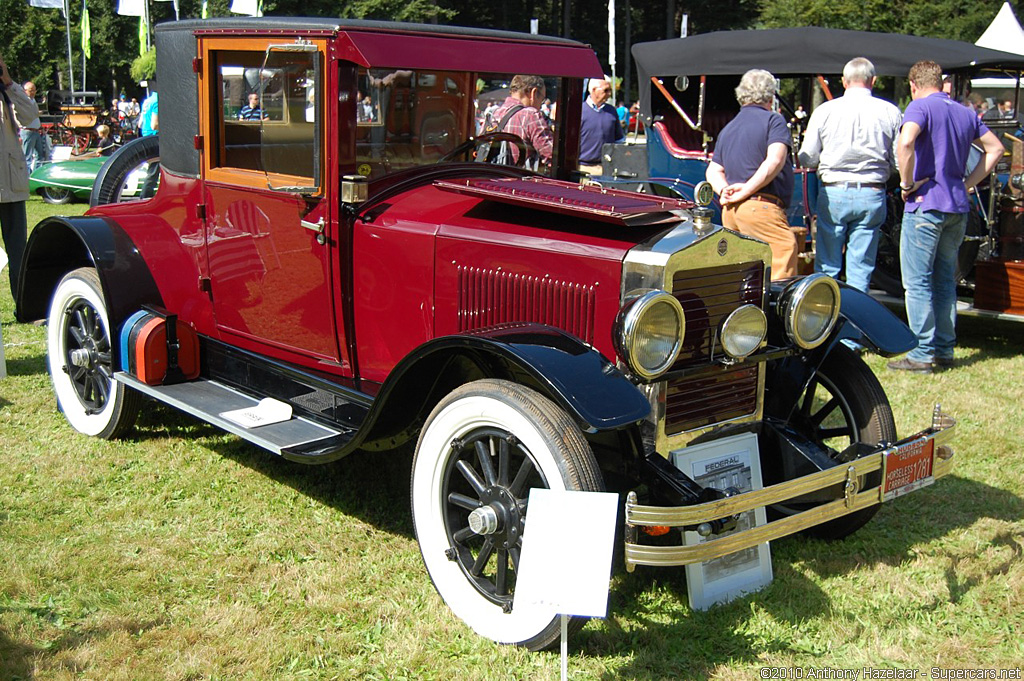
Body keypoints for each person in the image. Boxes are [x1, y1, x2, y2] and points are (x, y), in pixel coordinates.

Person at [888, 60, 1004, 373]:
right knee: (944, 281)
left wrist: (905, 182)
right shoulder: (966, 112)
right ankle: (944, 350)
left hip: (925, 204)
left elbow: (907, 140)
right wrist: (967, 184)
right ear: (942, 83)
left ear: (914, 84)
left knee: (917, 282)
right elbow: (996, 149)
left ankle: (922, 353)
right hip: (957, 207)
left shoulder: (919, 107)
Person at [797, 57, 903, 292]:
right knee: (861, 268)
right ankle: (855, 320)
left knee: (827, 265)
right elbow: (899, 158)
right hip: (872, 191)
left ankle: (824, 314)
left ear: (844, 82)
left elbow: (808, 157)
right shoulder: (890, 111)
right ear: (873, 81)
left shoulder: (825, 111)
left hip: (834, 191)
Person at [705, 69, 798, 280]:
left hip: (731, 211)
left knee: (744, 271)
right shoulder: (774, 121)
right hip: (760, 206)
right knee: (783, 254)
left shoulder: (729, 128)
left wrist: (725, 191)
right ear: (771, 96)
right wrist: (746, 190)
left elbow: (713, 170)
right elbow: (775, 159)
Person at [1, 52, 38, 307]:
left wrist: (9, 83)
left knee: (18, 250)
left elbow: (30, 115)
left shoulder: (7, 93)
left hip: (9, 184)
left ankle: (24, 304)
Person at [483, 74, 554, 170]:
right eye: (541, 99)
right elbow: (551, 155)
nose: (540, 106)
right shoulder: (530, 115)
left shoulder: (492, 115)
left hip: (491, 179)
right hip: (519, 182)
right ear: (533, 93)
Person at [578, 78, 623, 176]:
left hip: (607, 168)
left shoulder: (611, 111)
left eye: (610, 90)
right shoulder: (579, 111)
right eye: (606, 90)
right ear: (594, 90)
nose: (609, 94)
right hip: (583, 168)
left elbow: (619, 140)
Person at [17, 81, 48, 173]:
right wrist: (36, 113)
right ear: (24, 91)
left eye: (34, 90)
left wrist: (40, 127)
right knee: (27, 157)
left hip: (36, 131)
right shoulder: (22, 101)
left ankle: (37, 175)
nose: (33, 92)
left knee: (40, 155)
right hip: (27, 131)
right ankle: (27, 178)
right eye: (31, 90)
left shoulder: (33, 100)